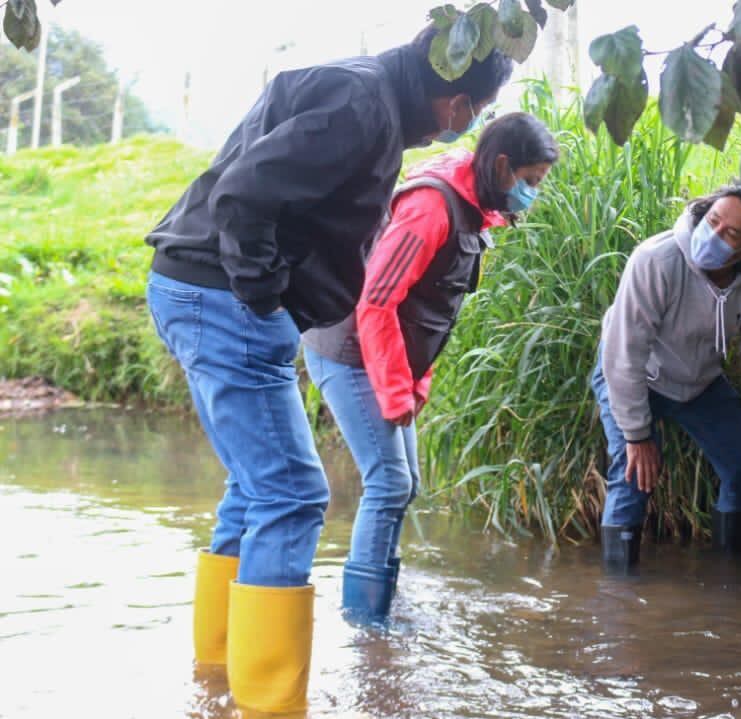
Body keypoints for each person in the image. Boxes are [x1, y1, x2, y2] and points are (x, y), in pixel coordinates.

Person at [144, 26, 513, 714]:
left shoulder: (364, 95)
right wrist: (262, 297)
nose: (470, 123)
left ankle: (216, 681)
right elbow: (244, 195)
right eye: (477, 110)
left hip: (199, 288)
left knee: (256, 490)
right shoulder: (361, 107)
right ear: (457, 103)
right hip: (222, 296)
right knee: (292, 491)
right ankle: (269, 704)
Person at [301, 112, 559, 626]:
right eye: (529, 182)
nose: (532, 194)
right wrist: (396, 391)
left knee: (406, 481)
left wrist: (417, 378)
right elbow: (376, 301)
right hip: (348, 349)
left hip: (387, 354)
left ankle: (381, 607)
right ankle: (364, 624)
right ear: (502, 165)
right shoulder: (431, 208)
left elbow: (428, 309)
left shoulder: (473, 198)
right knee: (389, 481)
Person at [593, 185, 741, 573]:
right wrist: (637, 436)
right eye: (712, 221)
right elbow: (624, 355)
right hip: (635, 375)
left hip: (699, 383)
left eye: (730, 234)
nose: (713, 235)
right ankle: (619, 598)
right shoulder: (656, 259)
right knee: (633, 477)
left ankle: (734, 586)